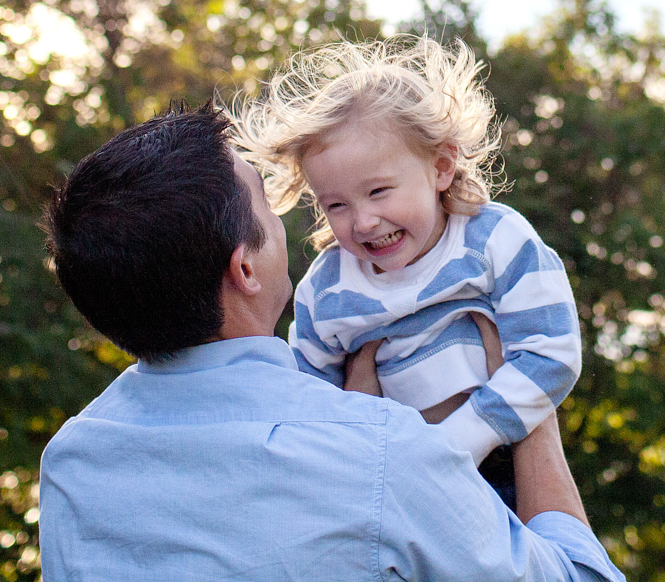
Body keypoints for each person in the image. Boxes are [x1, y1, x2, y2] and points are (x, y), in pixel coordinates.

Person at [37, 103, 623, 582]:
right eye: (268, 204)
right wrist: (533, 420)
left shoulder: (71, 465)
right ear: (244, 269)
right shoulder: (382, 453)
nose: (352, 224)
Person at [233, 39, 579, 502]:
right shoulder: (327, 288)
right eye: (335, 204)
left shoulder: (494, 239)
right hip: (392, 481)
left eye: (378, 192)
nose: (363, 221)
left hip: (505, 460)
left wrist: (461, 440)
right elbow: (310, 397)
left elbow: (551, 352)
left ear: (440, 167)